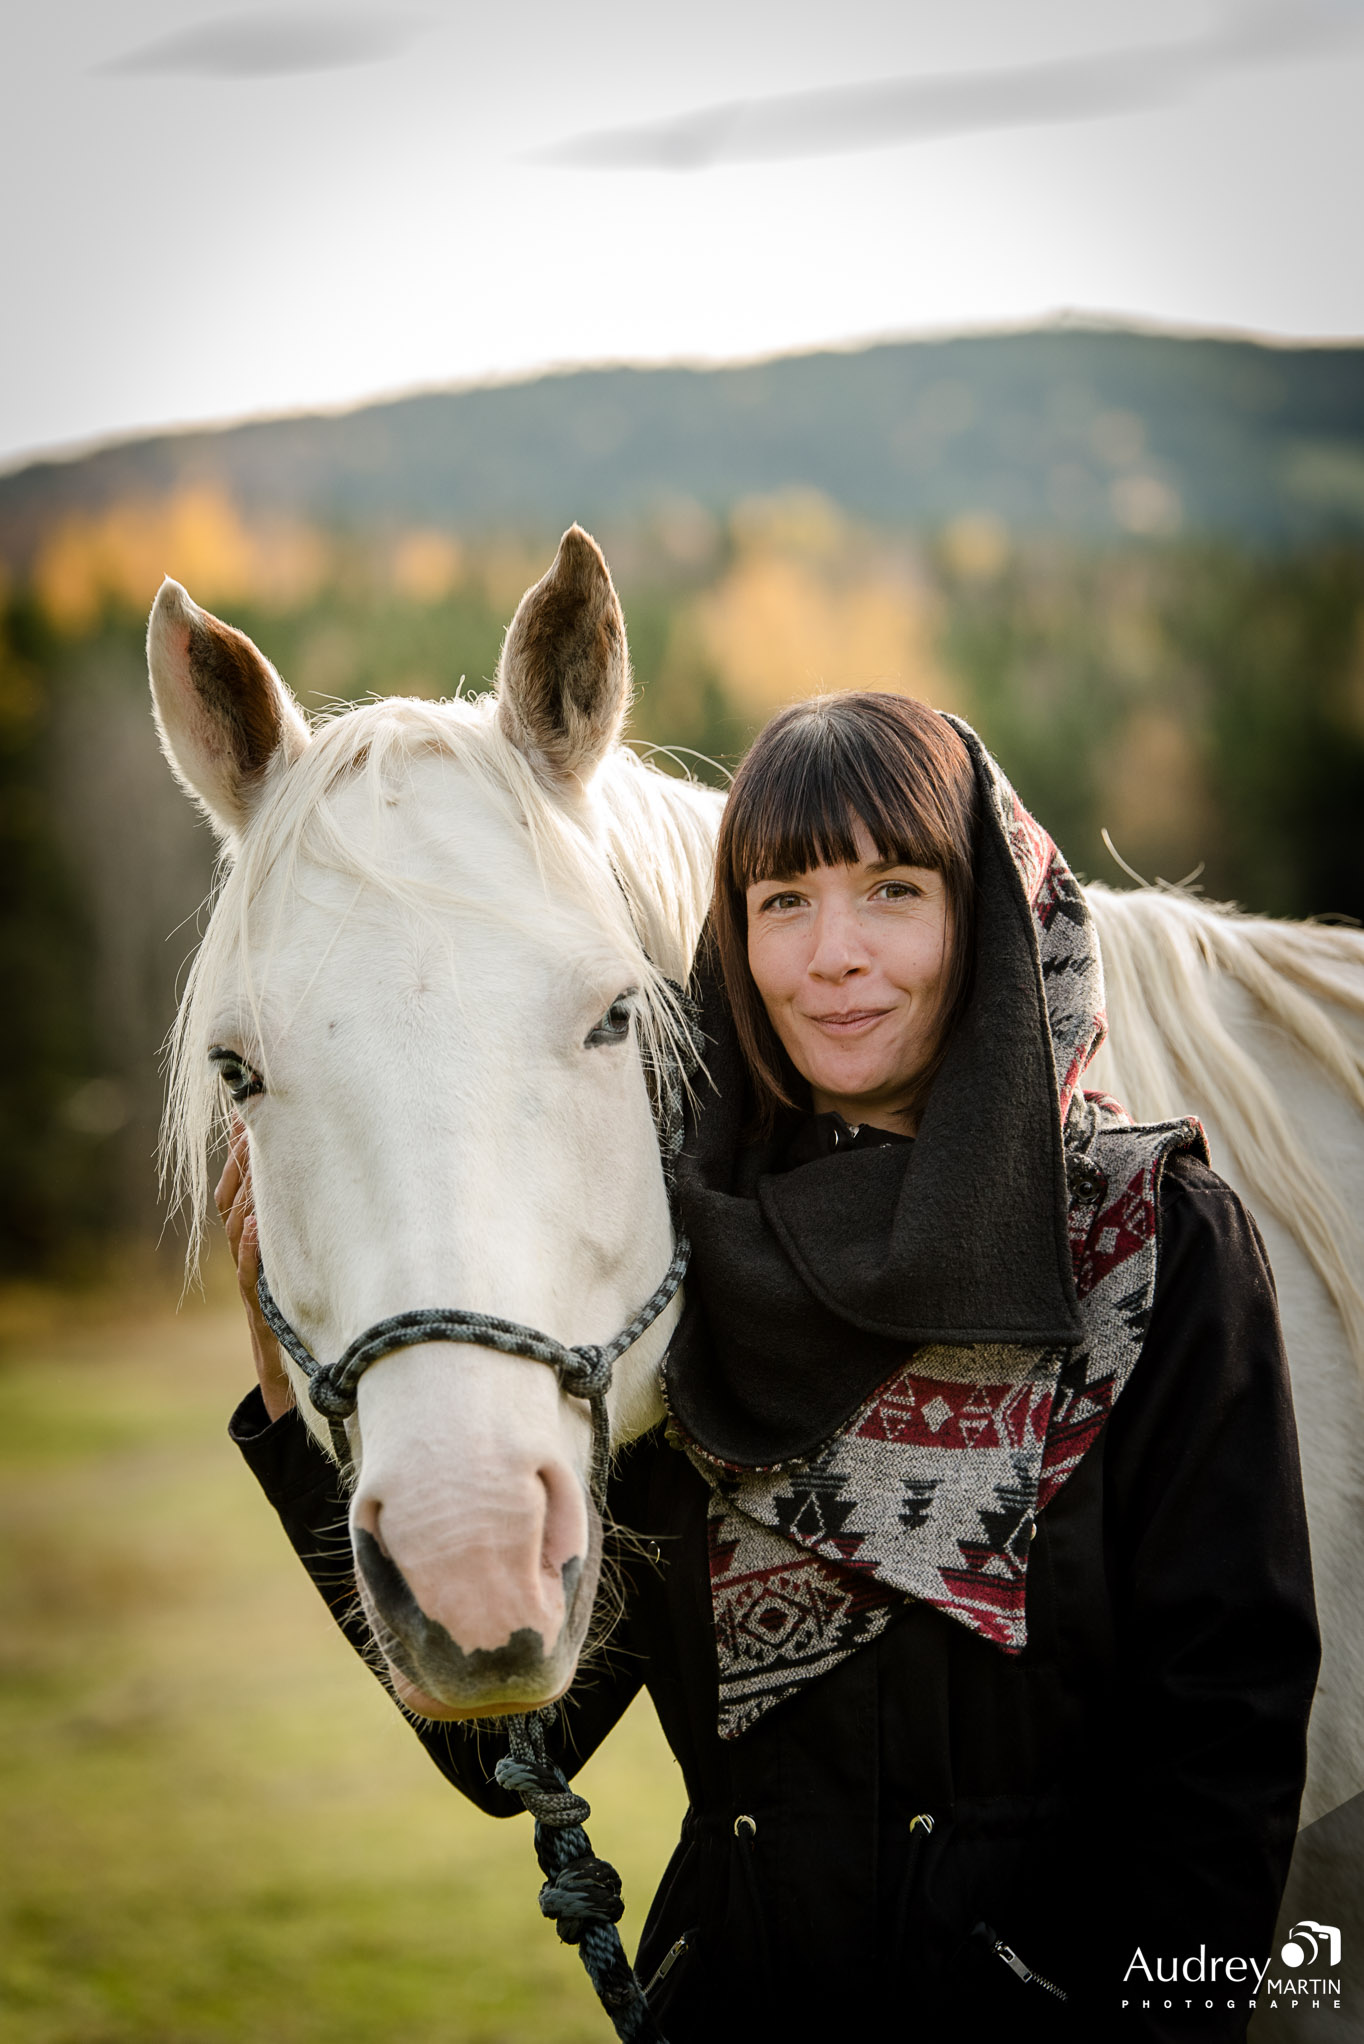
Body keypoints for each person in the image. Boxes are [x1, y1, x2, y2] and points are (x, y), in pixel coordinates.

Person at [220, 694, 1318, 2042]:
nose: (834, 956)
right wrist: (286, 1402)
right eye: (782, 901)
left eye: (895, 892)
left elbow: (1232, 1735)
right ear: (731, 943)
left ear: (983, 919)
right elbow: (513, 1739)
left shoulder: (1149, 1244)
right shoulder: (681, 1278)